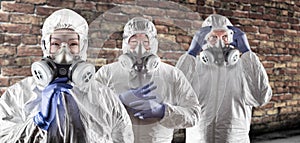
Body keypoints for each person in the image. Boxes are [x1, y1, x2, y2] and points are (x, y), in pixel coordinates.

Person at [0, 9, 133, 143]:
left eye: (73, 44)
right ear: (45, 46)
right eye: (55, 44)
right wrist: (39, 122)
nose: (64, 53)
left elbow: (124, 138)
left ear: (83, 47)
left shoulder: (105, 98)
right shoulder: (18, 95)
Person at [95, 17, 201, 143]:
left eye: (146, 42)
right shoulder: (107, 73)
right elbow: (88, 109)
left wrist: (162, 111)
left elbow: (193, 114)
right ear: (125, 44)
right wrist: (118, 101)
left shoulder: (172, 75)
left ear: (153, 44)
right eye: (134, 41)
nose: (140, 48)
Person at [176, 14, 273, 143]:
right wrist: (191, 54)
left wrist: (247, 54)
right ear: (203, 40)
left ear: (233, 39)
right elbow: (174, 98)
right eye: (214, 37)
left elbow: (260, 98)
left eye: (225, 37)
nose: (220, 42)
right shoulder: (192, 67)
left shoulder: (245, 67)